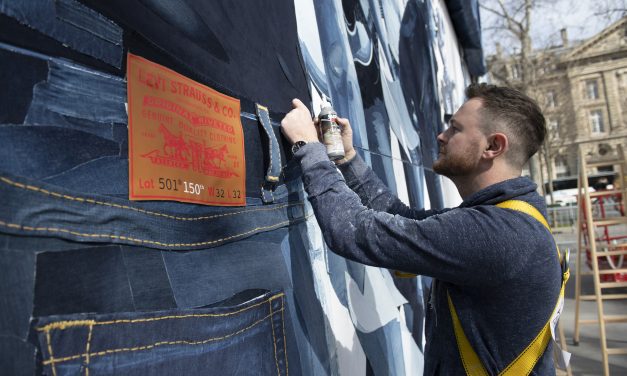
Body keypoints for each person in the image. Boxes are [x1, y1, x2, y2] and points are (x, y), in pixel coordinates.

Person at [280, 83, 568, 375]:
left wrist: (309, 148)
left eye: (455, 129)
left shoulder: (498, 234)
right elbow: (406, 220)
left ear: (493, 147)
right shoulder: (509, 219)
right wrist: (348, 159)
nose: (442, 136)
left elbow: (350, 231)